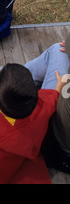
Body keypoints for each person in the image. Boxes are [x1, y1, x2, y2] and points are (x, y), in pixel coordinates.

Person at [25, 33, 70, 173]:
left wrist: (59, 87)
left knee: (57, 50)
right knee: (59, 50)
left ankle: (13, 88)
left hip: (58, 143)